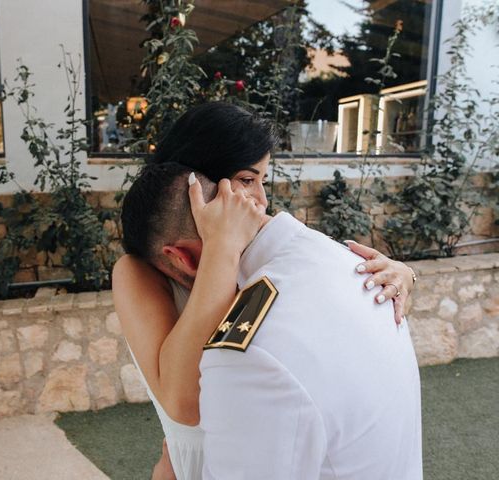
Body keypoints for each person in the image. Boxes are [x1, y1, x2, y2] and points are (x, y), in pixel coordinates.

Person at [112, 103, 417, 479]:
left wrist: (402, 274)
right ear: (199, 184)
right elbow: (183, 402)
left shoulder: (247, 248)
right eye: (245, 179)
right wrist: (221, 248)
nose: (261, 200)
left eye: (262, 181)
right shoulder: (142, 270)